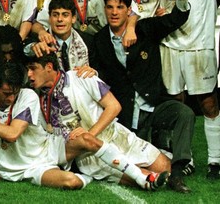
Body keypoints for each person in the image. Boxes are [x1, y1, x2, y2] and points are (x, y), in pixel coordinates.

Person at [0, 62, 167, 190]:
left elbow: (13, 134)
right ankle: (101, 175)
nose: (10, 98)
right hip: (21, 170)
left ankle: (142, 179)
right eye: (6, 93)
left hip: (47, 150)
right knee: (73, 182)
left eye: (14, 93)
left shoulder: (26, 96)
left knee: (86, 138)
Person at [90, 0, 196, 193]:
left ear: (129, 10)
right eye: (110, 7)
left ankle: (178, 172)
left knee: (185, 113)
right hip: (126, 114)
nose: (113, 12)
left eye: (119, 7)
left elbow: (176, 19)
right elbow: (99, 76)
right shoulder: (99, 41)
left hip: (154, 104)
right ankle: (158, 157)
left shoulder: (145, 29)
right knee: (134, 160)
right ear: (104, 9)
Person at [26, 53, 170, 189]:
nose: (29, 75)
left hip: (114, 135)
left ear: (49, 67)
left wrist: (89, 135)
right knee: (148, 179)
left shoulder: (81, 76)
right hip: (89, 157)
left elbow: (114, 106)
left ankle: (166, 154)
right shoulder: (34, 99)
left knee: (164, 167)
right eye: (27, 70)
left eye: (33, 69)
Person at [156, 0, 220, 180]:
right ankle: (186, 158)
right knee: (177, 104)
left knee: (208, 103)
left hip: (199, 44)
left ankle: (215, 162)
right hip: (170, 44)